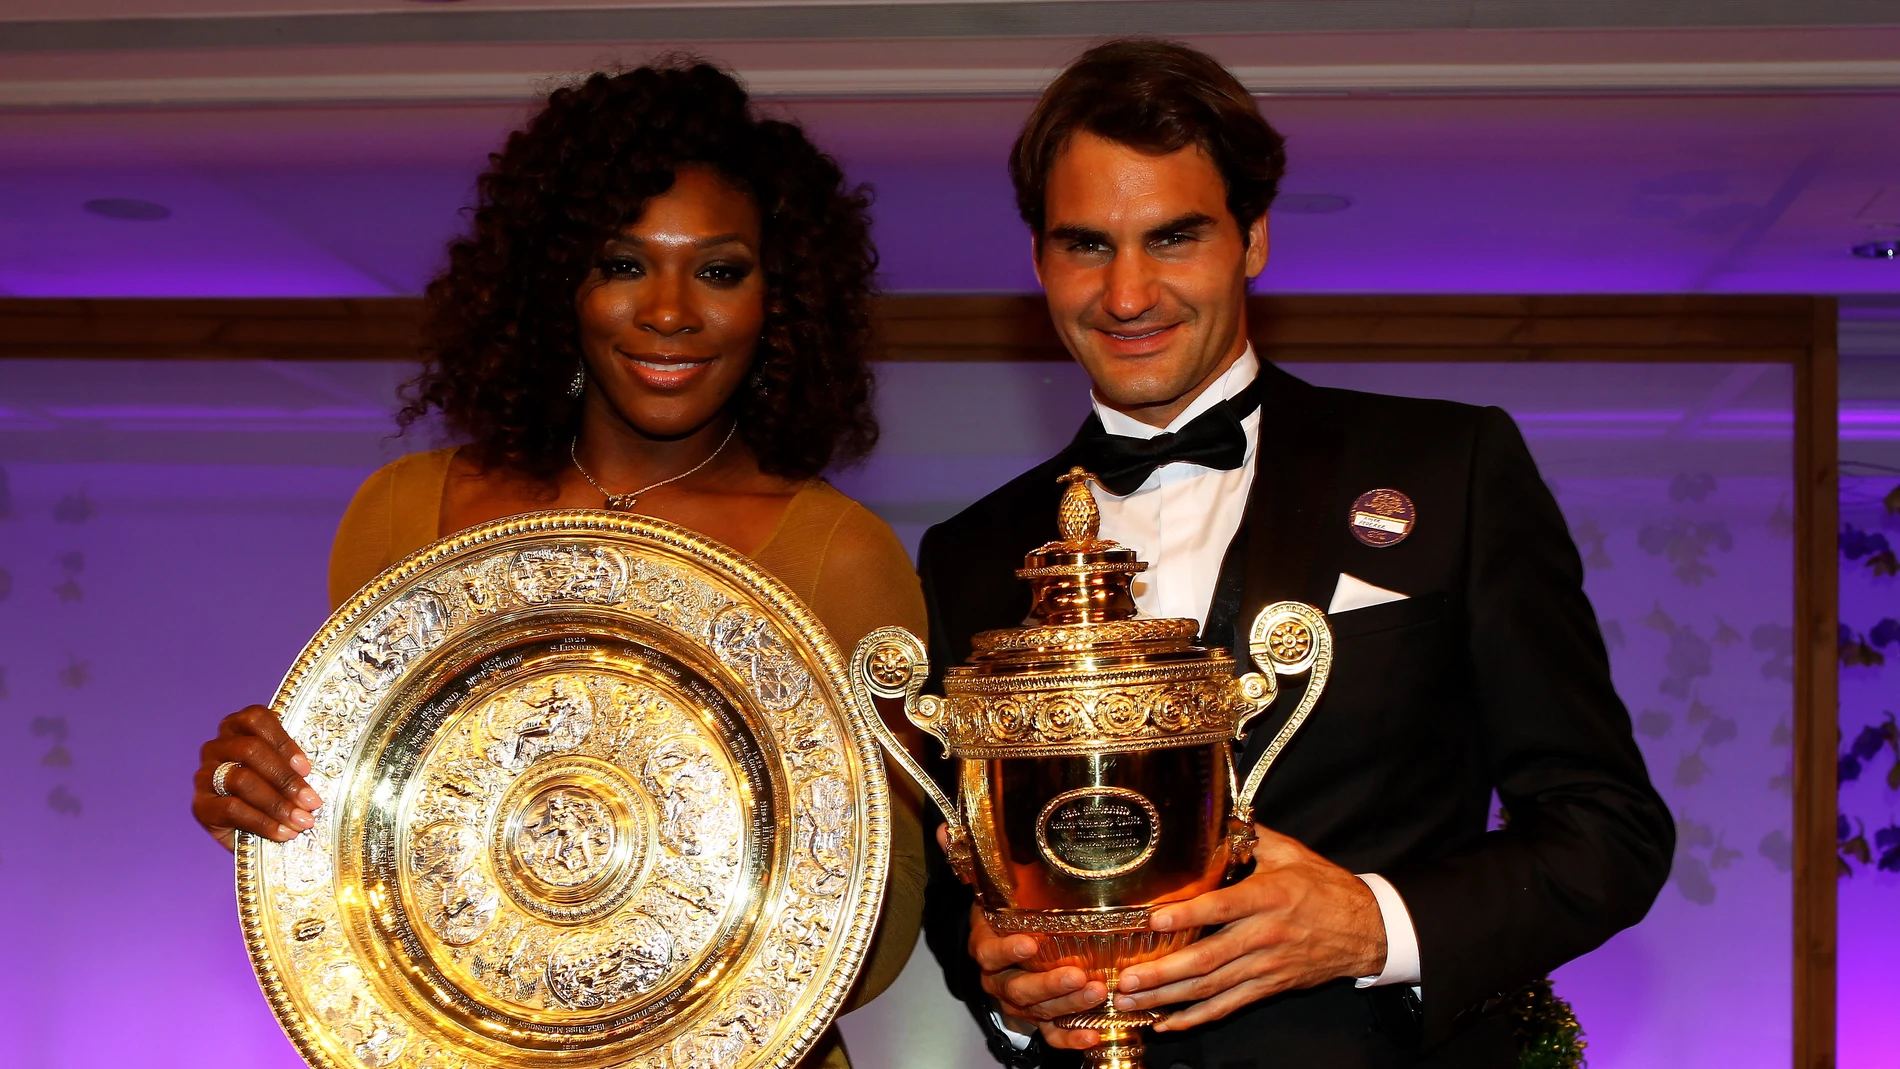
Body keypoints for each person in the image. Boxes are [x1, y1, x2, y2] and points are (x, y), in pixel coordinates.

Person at [917, 39, 1674, 1068]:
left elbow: (1608, 830)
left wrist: (1371, 924)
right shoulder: (969, 552)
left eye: (1173, 237)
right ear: (1040, 258)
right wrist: (1008, 996)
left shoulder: (1450, 468)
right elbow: (954, 875)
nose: (1127, 293)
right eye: (1086, 245)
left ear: (1253, 238)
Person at [187, 59, 925, 1069]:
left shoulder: (841, 555)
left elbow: (879, 939)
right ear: (555, 282)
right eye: (621, 263)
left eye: (718, 269)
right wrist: (264, 801)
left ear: (780, 298)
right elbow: (368, 846)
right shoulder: (406, 515)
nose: (669, 311)